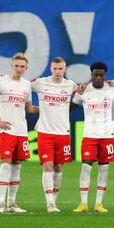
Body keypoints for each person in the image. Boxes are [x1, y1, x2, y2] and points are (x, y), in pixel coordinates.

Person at [0, 53, 37, 213]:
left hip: (22, 132)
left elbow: (29, 109)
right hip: (7, 131)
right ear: (11, 66)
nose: (19, 69)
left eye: (22, 66)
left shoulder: (26, 85)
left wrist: (49, 108)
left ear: (26, 68)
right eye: (16, 66)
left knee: (17, 167)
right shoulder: (1, 81)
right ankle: (0, 204)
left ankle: (12, 204)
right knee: (5, 165)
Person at [31, 57, 78, 213]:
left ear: (65, 69)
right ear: (50, 69)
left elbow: (88, 91)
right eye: (55, 69)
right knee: (48, 166)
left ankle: (54, 202)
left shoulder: (70, 85)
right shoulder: (40, 83)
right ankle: (49, 203)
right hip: (45, 132)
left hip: (62, 133)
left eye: (60, 69)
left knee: (59, 167)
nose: (57, 72)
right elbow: (19, 86)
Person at [72, 62, 114, 213]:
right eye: (95, 74)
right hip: (89, 135)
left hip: (107, 136)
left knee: (104, 169)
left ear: (105, 75)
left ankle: (99, 203)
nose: (98, 77)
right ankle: (83, 203)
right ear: (91, 74)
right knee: (86, 166)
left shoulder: (112, 89)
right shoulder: (83, 91)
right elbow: (70, 106)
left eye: (101, 75)